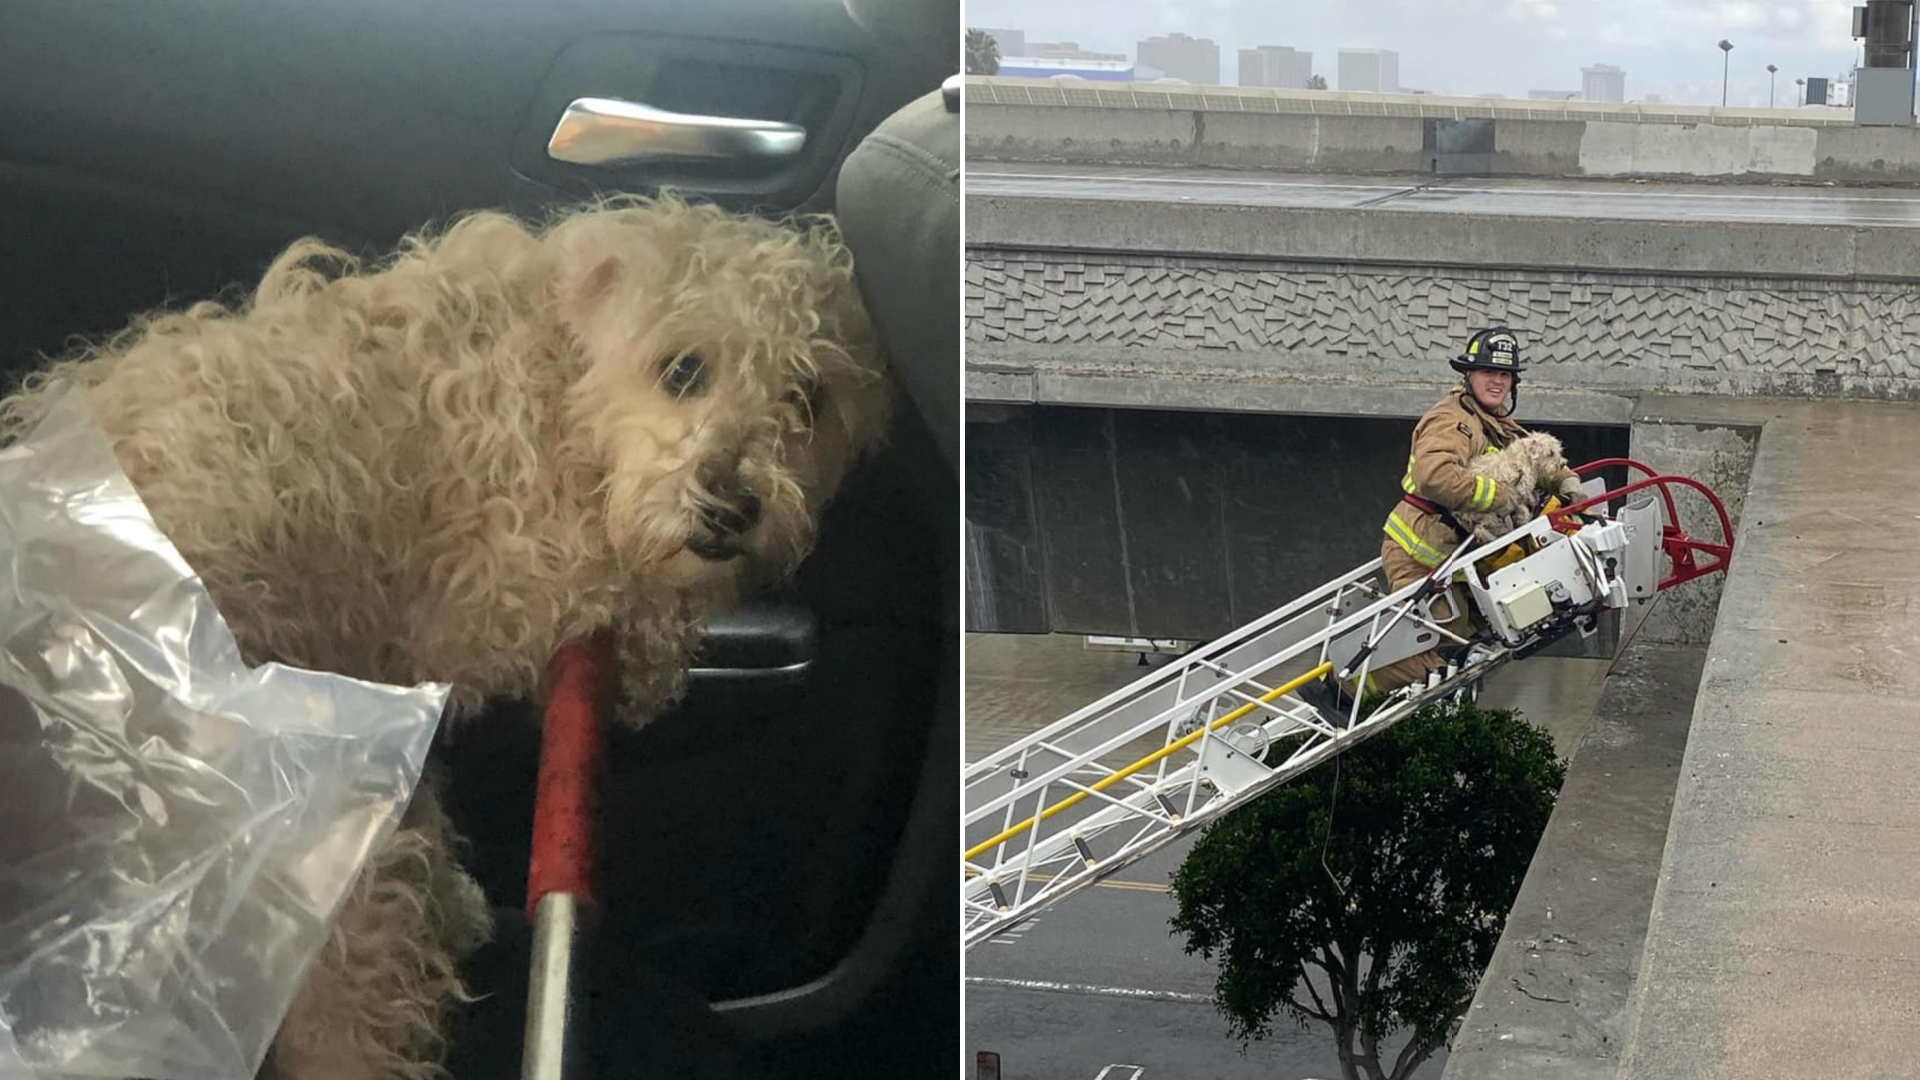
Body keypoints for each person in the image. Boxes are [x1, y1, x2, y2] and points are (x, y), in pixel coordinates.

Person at [1305, 328, 1586, 712]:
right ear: (1468, 376)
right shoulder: (1453, 421)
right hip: (1420, 553)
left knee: (1468, 640)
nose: (1497, 381)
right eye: (1488, 372)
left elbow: (1538, 460)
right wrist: (1501, 498)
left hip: (1457, 560)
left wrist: (1570, 485)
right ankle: (1341, 690)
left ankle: (1355, 695)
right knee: (1436, 643)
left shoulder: (1497, 421)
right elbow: (1434, 476)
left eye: (1504, 375)